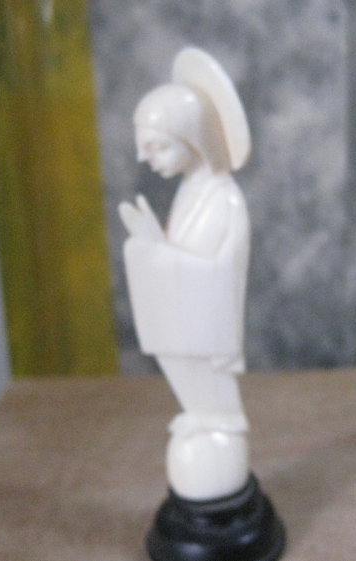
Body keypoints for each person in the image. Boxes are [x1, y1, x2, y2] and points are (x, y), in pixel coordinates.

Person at [119, 48, 252, 501]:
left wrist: (158, 254)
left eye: (157, 146)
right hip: (188, 328)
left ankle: (217, 420)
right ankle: (203, 415)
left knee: (213, 415)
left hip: (207, 337)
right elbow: (185, 260)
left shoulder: (223, 199)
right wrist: (153, 245)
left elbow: (217, 275)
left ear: (193, 138)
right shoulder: (189, 191)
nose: (144, 158)